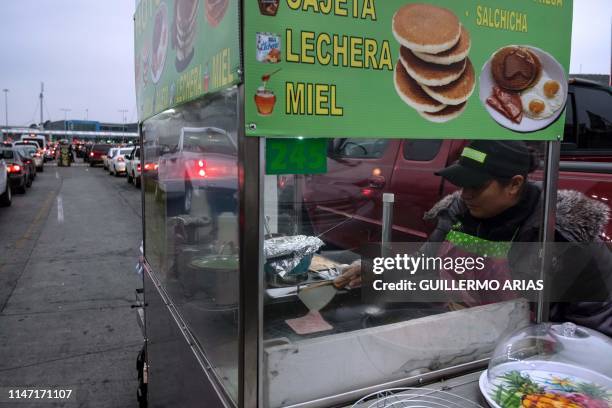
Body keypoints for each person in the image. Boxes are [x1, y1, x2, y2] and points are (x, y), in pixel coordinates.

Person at [335, 140, 612, 336]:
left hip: (524, 358)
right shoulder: (456, 213)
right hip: (456, 335)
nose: (465, 194)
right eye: (462, 183)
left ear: (514, 184)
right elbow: (426, 265)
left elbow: (595, 328)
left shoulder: (567, 238)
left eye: (476, 186)